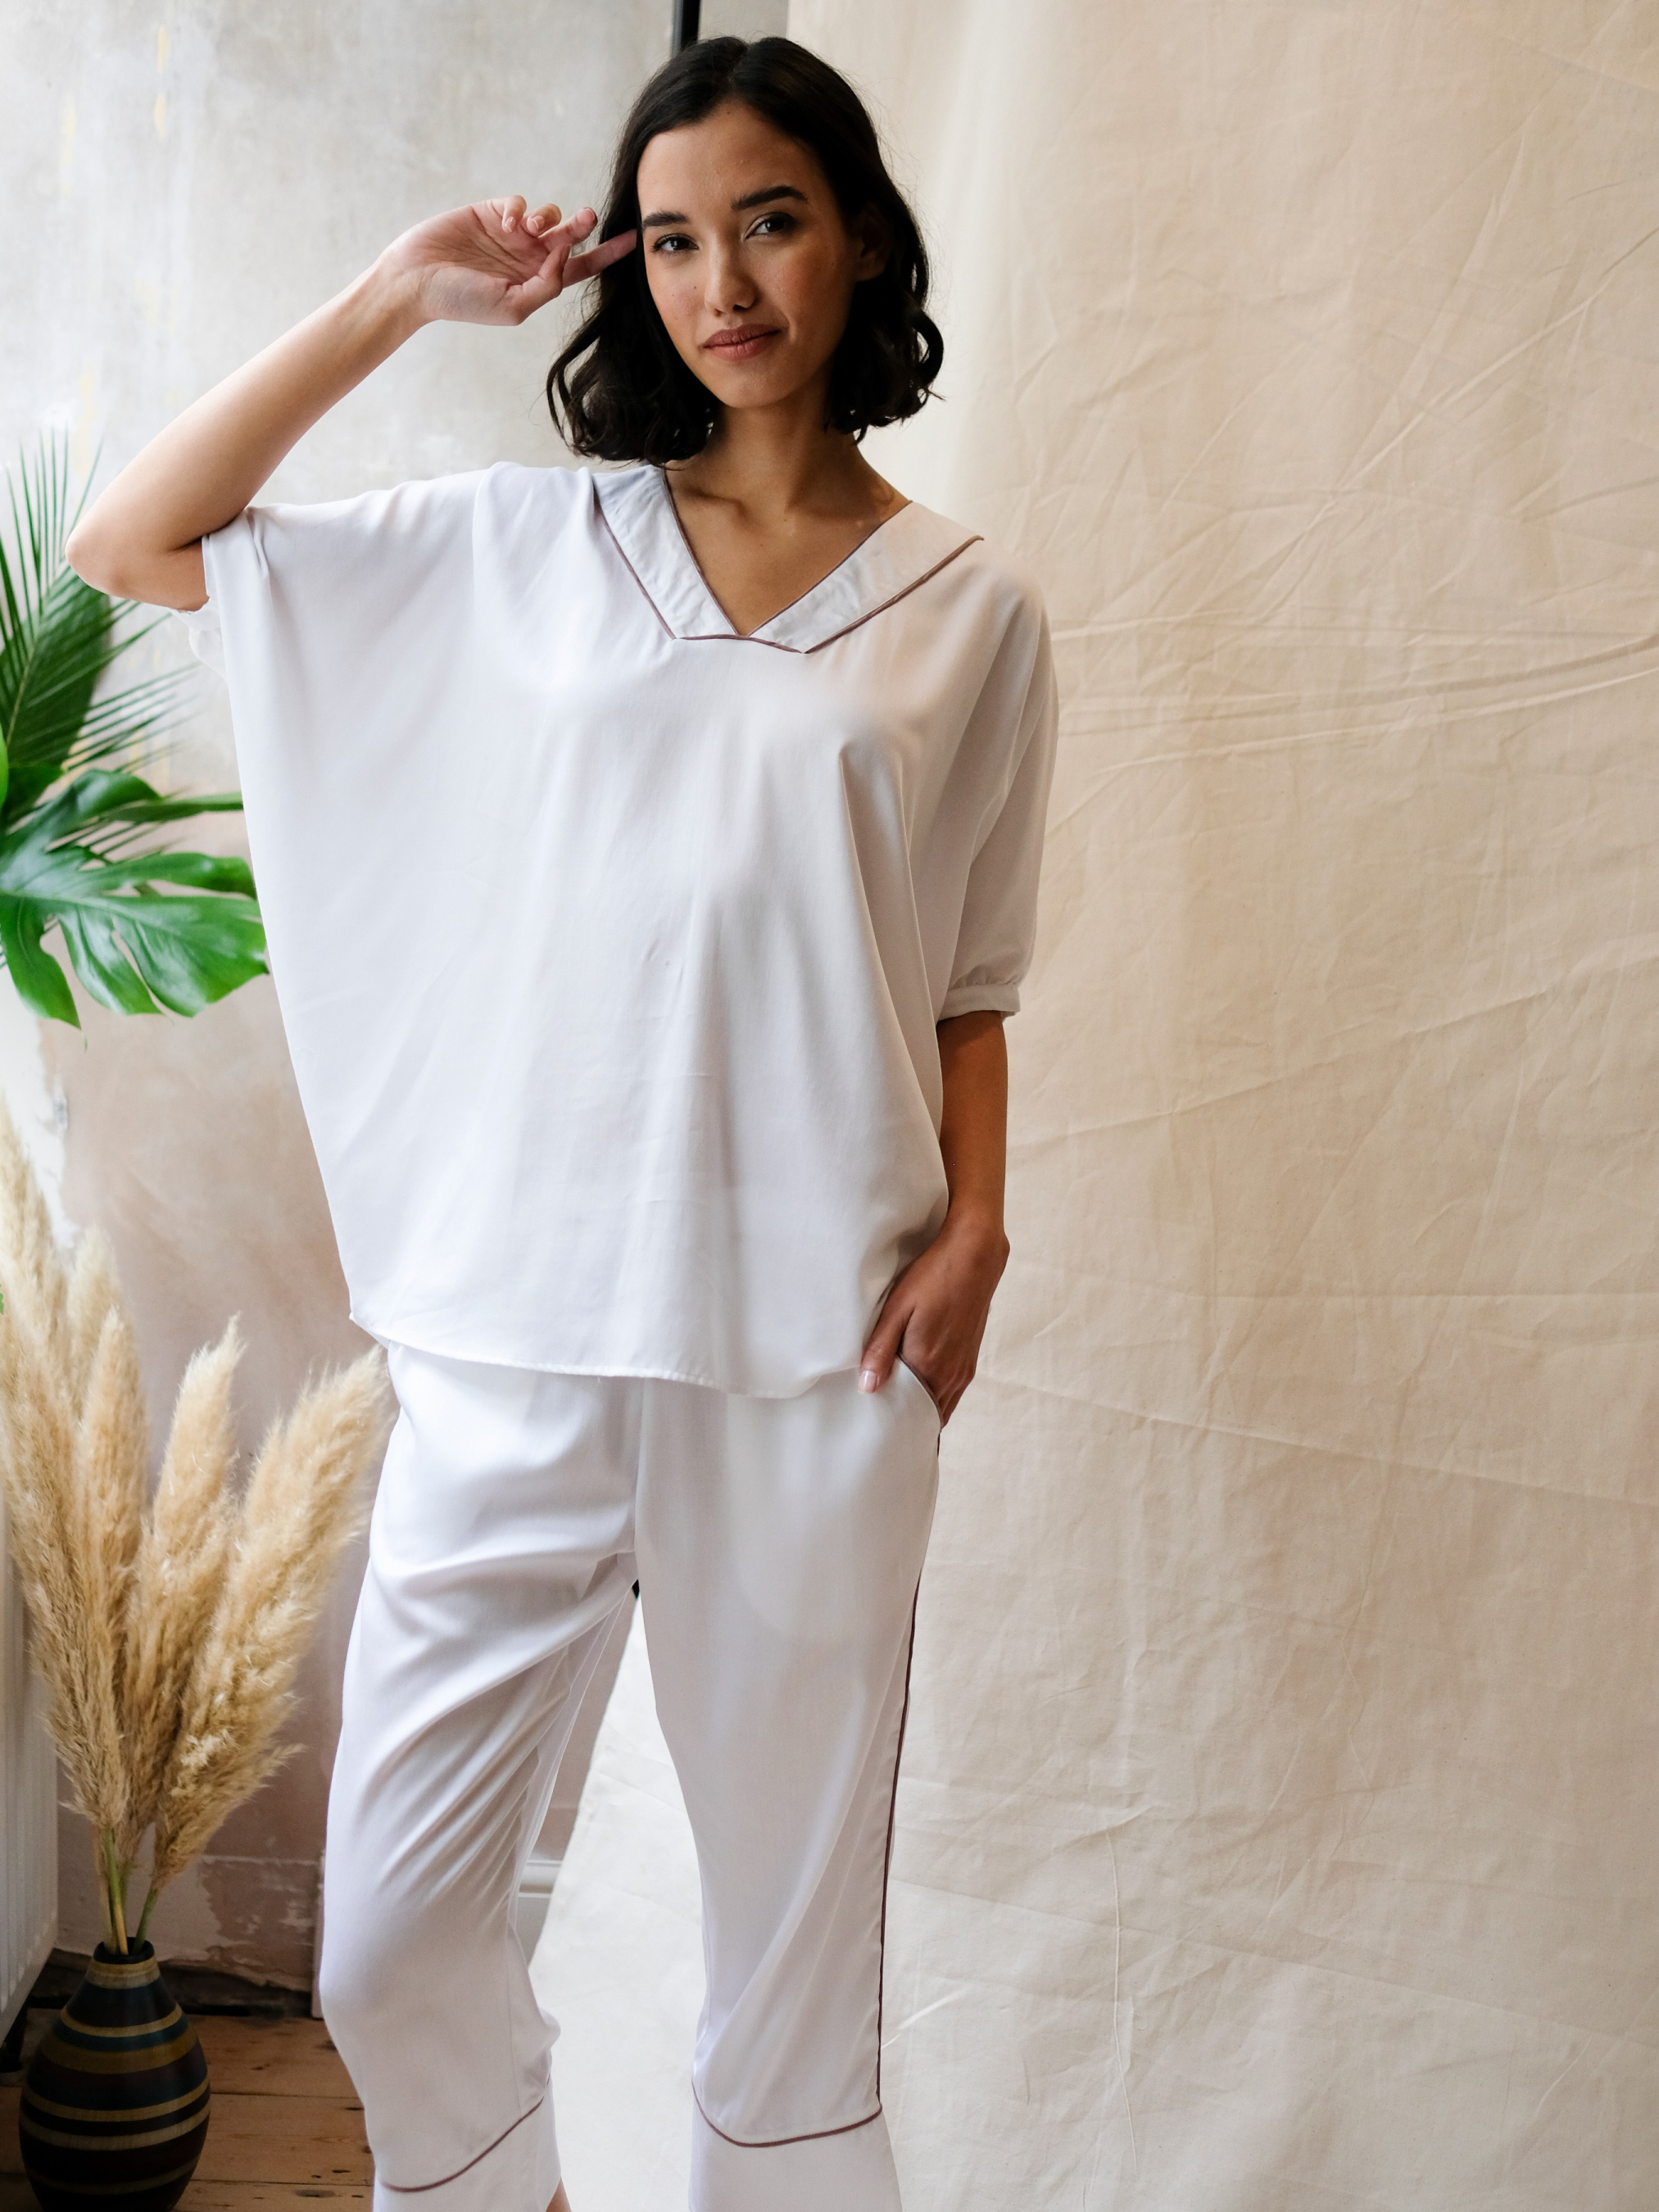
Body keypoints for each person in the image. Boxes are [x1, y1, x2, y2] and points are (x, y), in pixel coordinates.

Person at [70, 34, 1056, 2212]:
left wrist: (978, 1223)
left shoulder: (974, 611)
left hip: (818, 1354)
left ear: (860, 237)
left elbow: (965, 973)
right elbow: (130, 539)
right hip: (516, 1338)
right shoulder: (528, 547)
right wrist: (398, 296)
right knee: (388, 1950)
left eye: (771, 221)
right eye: (675, 238)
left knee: (788, 1991)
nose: (726, 282)